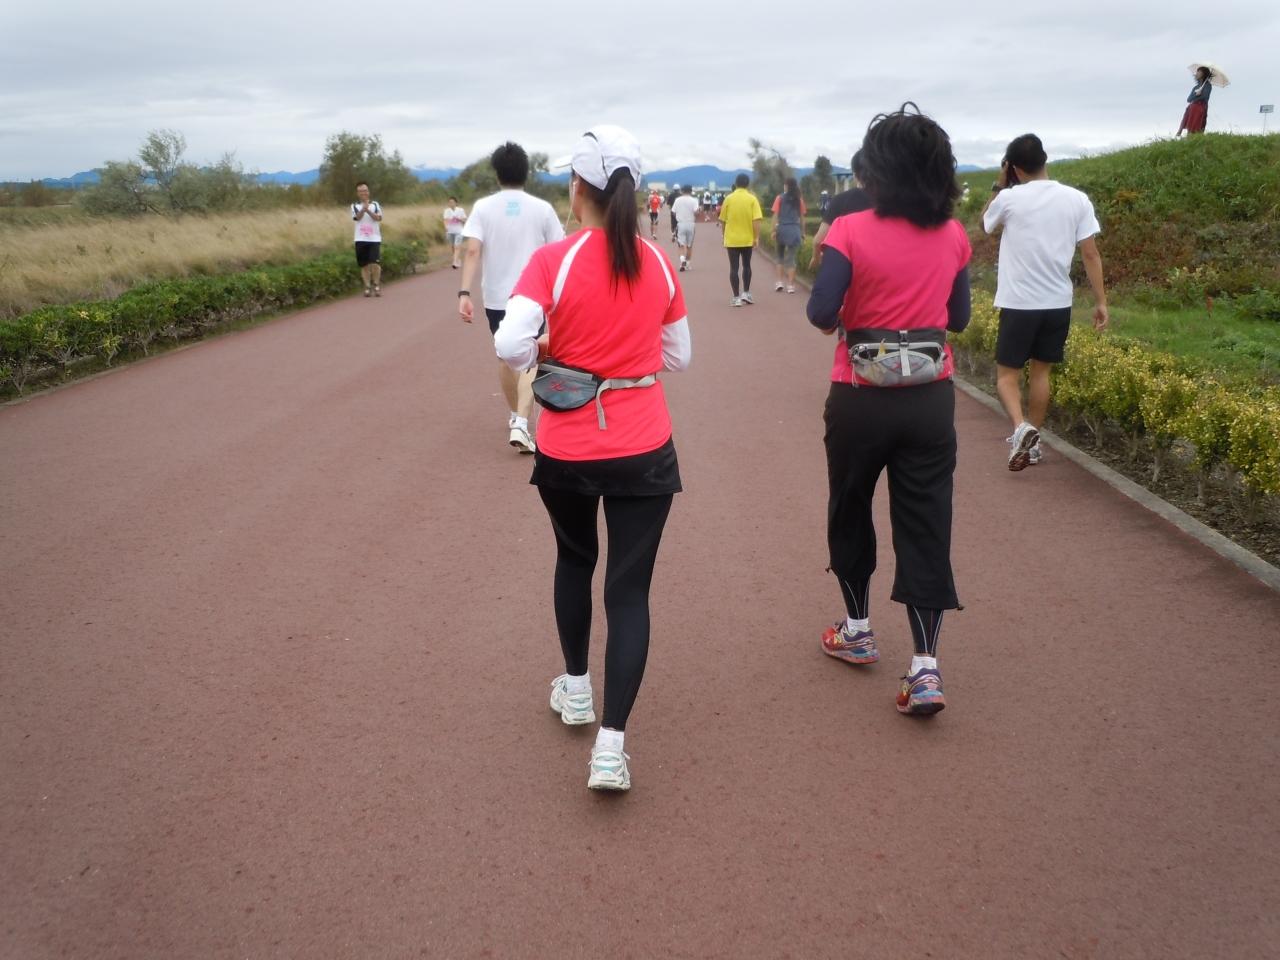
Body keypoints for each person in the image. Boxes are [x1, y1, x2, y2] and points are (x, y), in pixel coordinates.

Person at [493, 124, 691, 792]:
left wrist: (549, 350)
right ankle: (611, 747)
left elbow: (510, 345)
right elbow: (680, 356)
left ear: (578, 187)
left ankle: (576, 688)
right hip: (645, 445)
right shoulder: (656, 262)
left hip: (568, 445)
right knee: (629, 592)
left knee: (574, 561)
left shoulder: (555, 260)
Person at [805, 103, 972, 717]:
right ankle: (925, 668)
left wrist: (858, 309)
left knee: (851, 507)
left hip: (860, 396)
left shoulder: (849, 230)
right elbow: (959, 318)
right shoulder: (952, 235)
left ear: (877, 170)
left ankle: (857, 630)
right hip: (930, 399)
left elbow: (821, 313)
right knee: (926, 522)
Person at [981, 133, 1108, 470]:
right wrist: (1101, 301)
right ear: (1044, 159)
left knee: (1007, 376)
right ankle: (1033, 444)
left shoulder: (1009, 198)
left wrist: (998, 184)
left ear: (1014, 168)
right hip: (1057, 303)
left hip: (1019, 302)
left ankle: (1020, 428)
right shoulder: (1077, 199)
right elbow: (1091, 253)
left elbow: (985, 224)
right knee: (1041, 374)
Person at [458, 142, 565, 454]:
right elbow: (559, 252)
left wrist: (464, 292)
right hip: (534, 294)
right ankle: (521, 420)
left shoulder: (483, 208)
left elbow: (473, 250)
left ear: (497, 173)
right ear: (526, 172)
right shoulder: (542, 209)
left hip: (496, 296)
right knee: (533, 353)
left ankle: (516, 416)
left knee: (505, 356)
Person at [809, 151, 873, 271]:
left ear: (855, 175)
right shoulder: (890, 202)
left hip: (846, 266)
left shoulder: (840, 200)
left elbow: (818, 240)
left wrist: (815, 258)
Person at [718, 173, 762, 306]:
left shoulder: (728, 199)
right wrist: (756, 237)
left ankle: (736, 297)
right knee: (747, 265)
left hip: (732, 239)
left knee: (734, 268)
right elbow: (756, 220)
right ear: (747, 184)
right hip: (747, 239)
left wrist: (724, 235)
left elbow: (723, 220)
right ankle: (746, 293)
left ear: (736, 184)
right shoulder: (752, 199)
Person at [770, 176, 807, 293]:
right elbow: (802, 218)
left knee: (780, 256)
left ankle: (779, 282)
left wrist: (773, 230)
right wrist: (803, 232)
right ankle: (791, 285)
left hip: (782, 229)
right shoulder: (799, 200)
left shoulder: (779, 198)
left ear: (786, 186)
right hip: (794, 230)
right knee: (791, 258)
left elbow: (775, 216)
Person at [351, 182, 383, 297]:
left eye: (365, 190)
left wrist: (368, 210)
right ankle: (367, 286)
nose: (363, 193)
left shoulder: (375, 204)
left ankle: (377, 285)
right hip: (360, 238)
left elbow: (378, 218)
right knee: (364, 264)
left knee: (375, 263)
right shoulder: (354, 206)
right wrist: (363, 209)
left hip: (374, 238)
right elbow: (357, 218)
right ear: (357, 193)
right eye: (360, 191)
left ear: (368, 192)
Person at [672, 183, 700, 271]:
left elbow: (673, 212)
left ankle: (682, 260)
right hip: (691, 224)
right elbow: (696, 212)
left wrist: (679, 216)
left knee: (681, 245)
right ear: (691, 191)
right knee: (689, 245)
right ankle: (687, 264)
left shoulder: (677, 200)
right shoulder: (694, 200)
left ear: (682, 191)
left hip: (680, 224)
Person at [1178, 66, 1213, 136]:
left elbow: (1205, 97)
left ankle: (1196, 138)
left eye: (1199, 72)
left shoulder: (1208, 86)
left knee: (1197, 126)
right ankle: (1183, 133)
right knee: (1189, 126)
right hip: (1192, 108)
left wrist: (1199, 94)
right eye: (1197, 72)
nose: (1197, 74)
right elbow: (1189, 99)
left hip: (1200, 108)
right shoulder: (1196, 87)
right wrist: (1196, 94)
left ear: (1204, 74)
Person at [442, 196, 467, 269]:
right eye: (449, 202)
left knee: (457, 246)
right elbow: (445, 220)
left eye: (452, 202)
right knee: (453, 246)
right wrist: (446, 227)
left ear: (456, 203)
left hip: (459, 231)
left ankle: (454, 262)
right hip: (450, 231)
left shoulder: (460, 210)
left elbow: (465, 220)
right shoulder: (446, 211)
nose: (451, 203)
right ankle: (457, 259)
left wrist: (459, 219)